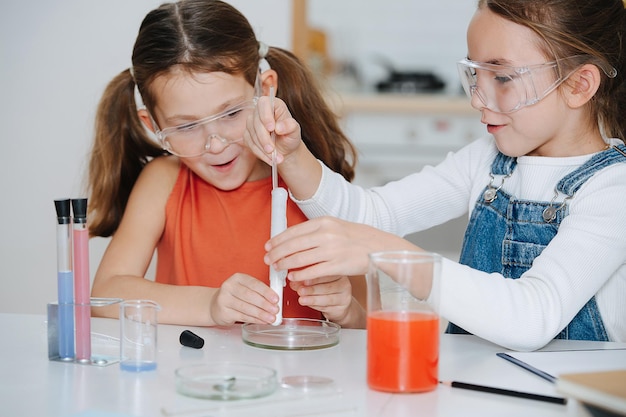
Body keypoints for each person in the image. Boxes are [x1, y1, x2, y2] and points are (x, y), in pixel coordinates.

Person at [246, 0, 626, 350]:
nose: (478, 98)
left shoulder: (612, 188)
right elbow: (370, 215)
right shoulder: (487, 162)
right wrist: (292, 155)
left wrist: (389, 254)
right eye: (475, 75)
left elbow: (532, 315)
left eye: (503, 78)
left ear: (579, 85)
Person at [87, 0, 366, 328]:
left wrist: (347, 310)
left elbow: (366, 319)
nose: (215, 145)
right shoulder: (163, 181)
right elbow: (106, 294)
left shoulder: (312, 186)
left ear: (266, 89)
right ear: (153, 126)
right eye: (187, 126)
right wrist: (210, 305)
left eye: (231, 113)